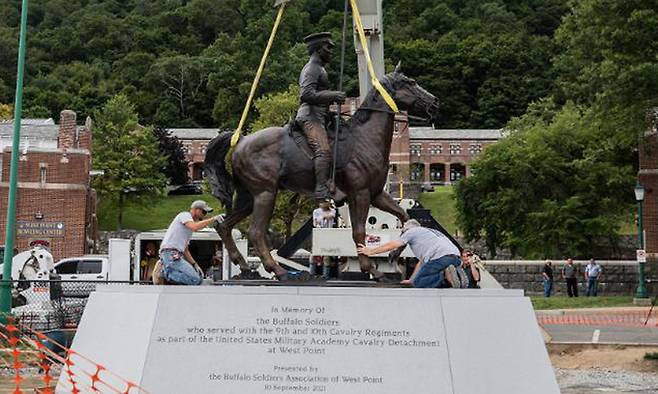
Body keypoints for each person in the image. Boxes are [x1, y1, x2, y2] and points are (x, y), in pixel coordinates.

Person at [296, 32, 347, 202]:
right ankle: (321, 190)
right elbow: (306, 94)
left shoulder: (320, 68)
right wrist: (333, 95)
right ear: (318, 49)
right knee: (323, 151)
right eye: (328, 47)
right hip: (310, 118)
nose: (331, 51)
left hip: (321, 117)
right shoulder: (311, 69)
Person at [356, 220, 466, 288]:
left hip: (440, 258)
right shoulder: (430, 233)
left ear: (407, 229)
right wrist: (411, 279)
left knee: (419, 283)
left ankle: (445, 277)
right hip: (455, 258)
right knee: (419, 279)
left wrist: (370, 251)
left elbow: (393, 245)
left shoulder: (412, 231)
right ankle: (455, 275)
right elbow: (422, 262)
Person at [159, 200, 221, 285]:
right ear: (196, 210)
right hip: (170, 254)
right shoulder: (185, 215)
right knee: (195, 279)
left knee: (196, 280)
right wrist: (213, 219)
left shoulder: (187, 230)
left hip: (175, 255)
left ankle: (170, 273)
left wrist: (195, 264)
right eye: (204, 212)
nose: (204, 215)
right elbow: (195, 227)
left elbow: (185, 250)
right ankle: (167, 273)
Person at [311, 201, 336, 279]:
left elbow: (331, 216)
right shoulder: (316, 211)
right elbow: (315, 222)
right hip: (318, 233)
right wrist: (321, 219)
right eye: (321, 202)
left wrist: (322, 217)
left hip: (329, 233)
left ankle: (325, 275)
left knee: (326, 255)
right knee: (313, 255)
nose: (322, 204)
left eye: (324, 202)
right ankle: (312, 274)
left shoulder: (333, 210)